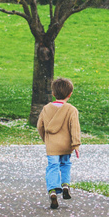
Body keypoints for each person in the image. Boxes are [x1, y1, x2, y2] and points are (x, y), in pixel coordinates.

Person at [37, 77, 81, 209]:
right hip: (66, 145)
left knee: (53, 166)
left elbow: (40, 126)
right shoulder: (71, 110)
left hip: (52, 145)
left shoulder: (46, 109)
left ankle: (52, 191)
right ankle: (65, 184)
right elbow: (75, 128)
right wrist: (76, 145)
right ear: (70, 94)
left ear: (53, 93)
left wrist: (46, 139)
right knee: (66, 164)